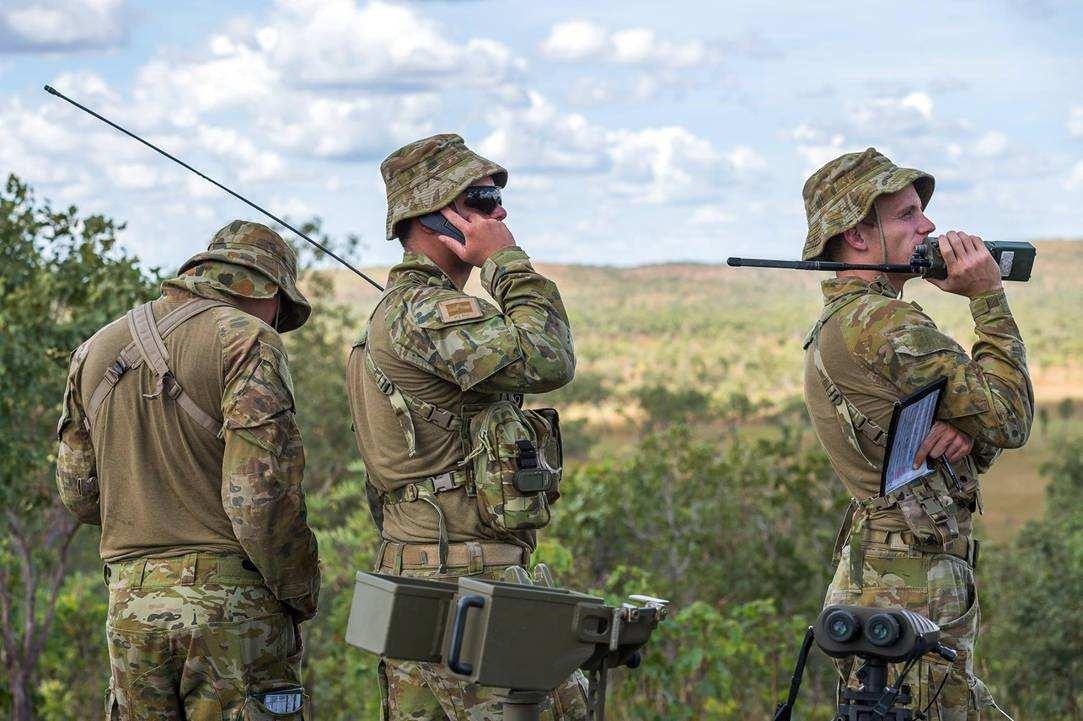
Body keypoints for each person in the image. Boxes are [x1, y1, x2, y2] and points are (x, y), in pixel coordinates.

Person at [346, 133, 588, 720]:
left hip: (431, 578)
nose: (499, 213)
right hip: (466, 587)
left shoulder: (408, 312)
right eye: (480, 201)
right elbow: (549, 358)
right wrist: (507, 262)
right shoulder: (429, 310)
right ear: (435, 218)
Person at [800, 148, 1033, 720]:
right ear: (856, 234)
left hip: (894, 568)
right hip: (906, 579)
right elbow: (1010, 417)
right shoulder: (884, 323)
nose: (928, 226)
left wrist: (966, 435)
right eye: (906, 215)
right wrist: (987, 295)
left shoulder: (851, 320)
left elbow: (981, 437)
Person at [56, 220, 321, 720]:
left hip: (131, 605)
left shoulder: (93, 349)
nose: (277, 322)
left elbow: (78, 494)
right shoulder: (247, 339)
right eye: (282, 311)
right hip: (231, 607)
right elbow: (260, 501)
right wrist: (300, 589)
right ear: (267, 290)